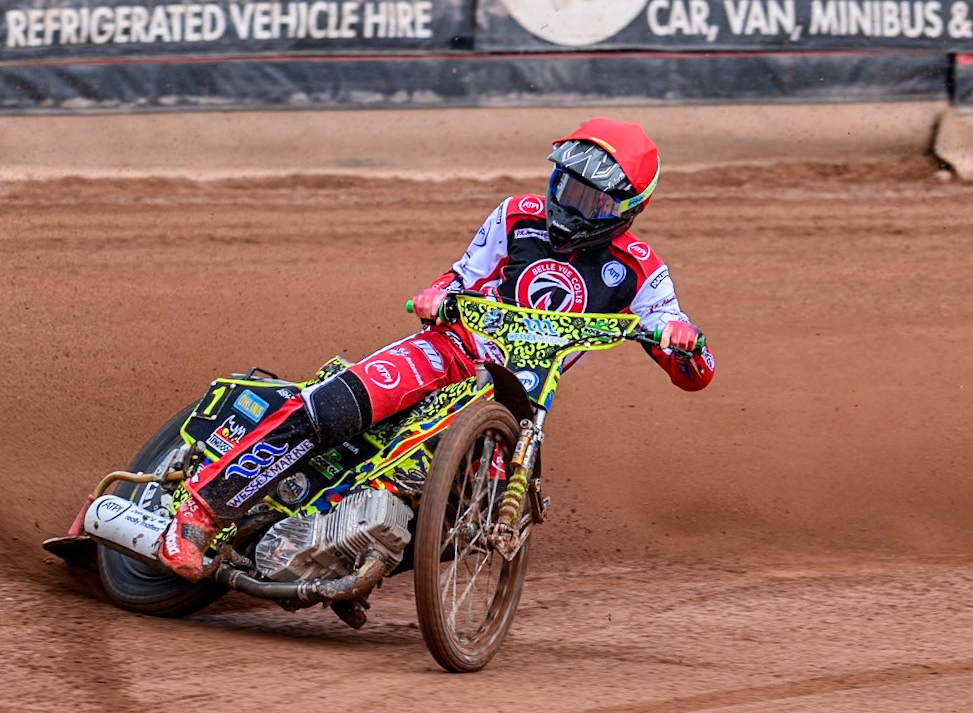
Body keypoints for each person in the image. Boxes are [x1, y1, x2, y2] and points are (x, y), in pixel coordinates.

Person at [156, 117, 714, 579]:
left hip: (518, 395)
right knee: (348, 399)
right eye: (567, 186)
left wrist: (685, 343)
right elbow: (461, 276)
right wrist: (439, 292)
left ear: (627, 207)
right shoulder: (516, 216)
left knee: (470, 510)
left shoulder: (641, 270)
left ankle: (349, 560)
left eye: (592, 199)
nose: (573, 204)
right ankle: (199, 512)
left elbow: (693, 365)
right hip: (452, 349)